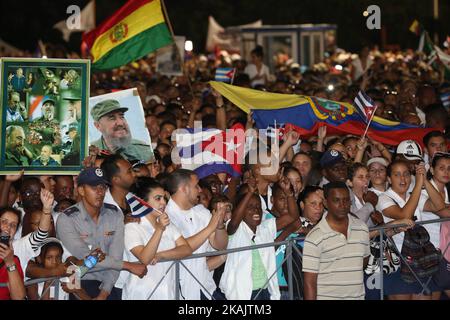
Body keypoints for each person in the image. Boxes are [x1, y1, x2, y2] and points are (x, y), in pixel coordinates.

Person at [56, 167, 147, 300]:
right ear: (81, 190)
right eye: (94, 187)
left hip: (109, 284)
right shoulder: (67, 218)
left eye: (103, 187)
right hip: (77, 283)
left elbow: (116, 255)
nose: (100, 192)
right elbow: (86, 258)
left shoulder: (114, 214)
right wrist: (128, 266)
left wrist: (104, 293)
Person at [220, 176, 298, 300]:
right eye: (250, 207)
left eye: (258, 207)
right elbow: (233, 222)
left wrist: (289, 193)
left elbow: (292, 216)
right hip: (241, 292)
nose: (256, 210)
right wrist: (250, 192)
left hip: (265, 290)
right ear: (241, 211)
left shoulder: (265, 227)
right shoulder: (236, 229)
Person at [376, 160, 445, 300]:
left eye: (406, 174)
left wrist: (424, 180)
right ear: (389, 179)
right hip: (398, 262)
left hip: (420, 261)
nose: (403, 179)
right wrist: (419, 185)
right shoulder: (383, 198)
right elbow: (404, 215)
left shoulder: (413, 195)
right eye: (397, 175)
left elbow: (439, 207)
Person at [122, 178, 192, 300]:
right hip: (143, 293)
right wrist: (159, 229)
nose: (163, 203)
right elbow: (145, 258)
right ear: (142, 202)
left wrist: (161, 256)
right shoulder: (132, 227)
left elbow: (186, 249)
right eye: (158, 198)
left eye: (164, 198)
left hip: (168, 291)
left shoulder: (166, 223)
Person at [165, 169, 228, 300]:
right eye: (196, 186)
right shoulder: (165, 216)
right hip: (179, 291)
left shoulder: (201, 212)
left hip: (205, 286)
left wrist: (219, 224)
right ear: (184, 189)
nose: (200, 190)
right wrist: (211, 227)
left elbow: (220, 245)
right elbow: (181, 249)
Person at [303, 182, 370, 300]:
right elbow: (309, 282)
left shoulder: (362, 228)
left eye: (346, 200)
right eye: (336, 200)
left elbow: (362, 261)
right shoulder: (315, 237)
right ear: (326, 203)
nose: (342, 205)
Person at [0, 208, 26, 300]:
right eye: (4, 222)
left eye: (13, 225)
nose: (8, 227)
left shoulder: (13, 260)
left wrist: (10, 263)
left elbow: (19, 297)